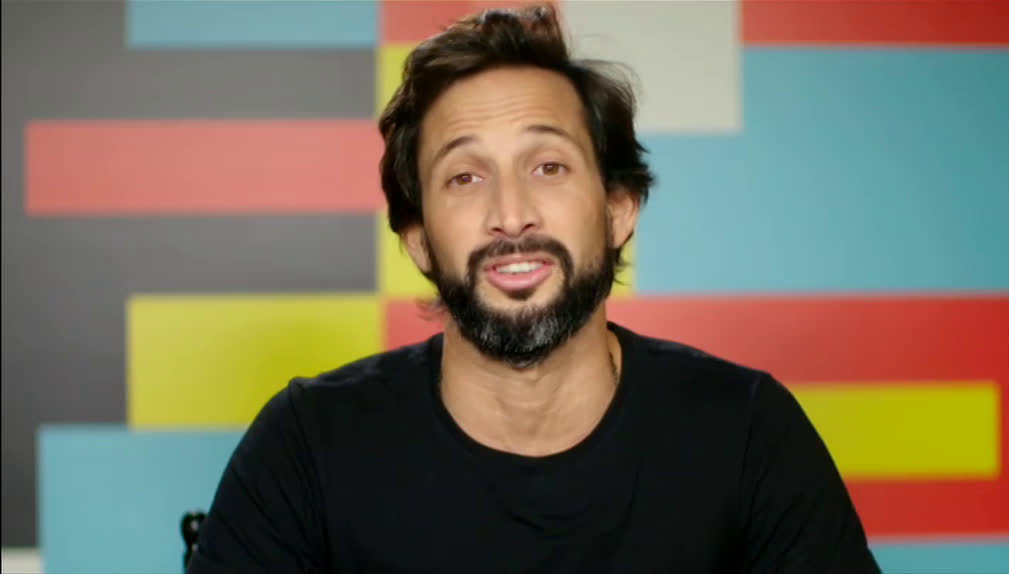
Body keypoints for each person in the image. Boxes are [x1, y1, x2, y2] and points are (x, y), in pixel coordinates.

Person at [188, 5, 881, 573]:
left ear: (618, 209)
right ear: (419, 240)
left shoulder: (747, 433)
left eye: (548, 166)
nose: (511, 213)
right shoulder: (309, 446)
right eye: (465, 177)